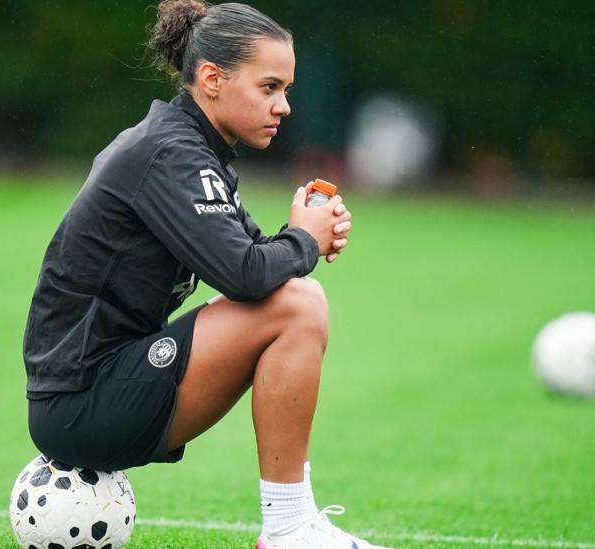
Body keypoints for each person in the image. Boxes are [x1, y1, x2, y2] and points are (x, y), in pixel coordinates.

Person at [23, 1, 391, 547]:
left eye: (285, 89)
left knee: (295, 297)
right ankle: (289, 529)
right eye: (269, 87)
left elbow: (253, 260)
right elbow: (245, 276)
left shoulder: (192, 149)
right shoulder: (170, 153)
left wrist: (299, 234)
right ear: (212, 79)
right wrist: (303, 241)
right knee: (300, 304)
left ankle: (294, 526)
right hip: (82, 401)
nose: (284, 106)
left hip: (98, 389)